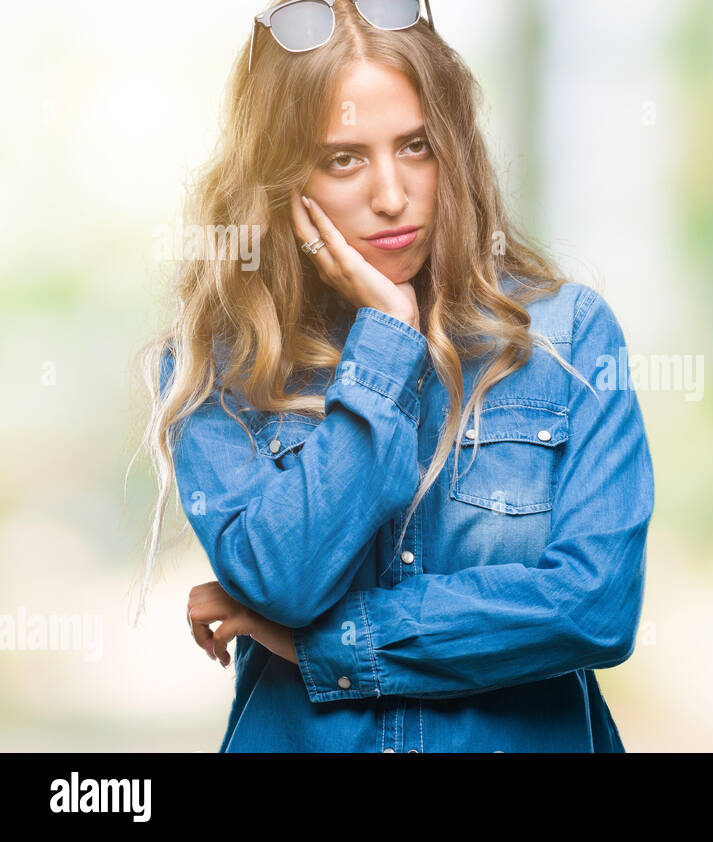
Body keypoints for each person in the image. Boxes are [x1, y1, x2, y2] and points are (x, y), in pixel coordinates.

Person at [132, 0, 654, 752]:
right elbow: (283, 583)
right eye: (344, 158)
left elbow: (593, 607)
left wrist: (326, 642)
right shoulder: (221, 366)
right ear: (280, 179)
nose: (390, 195)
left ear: (455, 150)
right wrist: (387, 343)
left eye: (416, 147)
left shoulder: (569, 338)